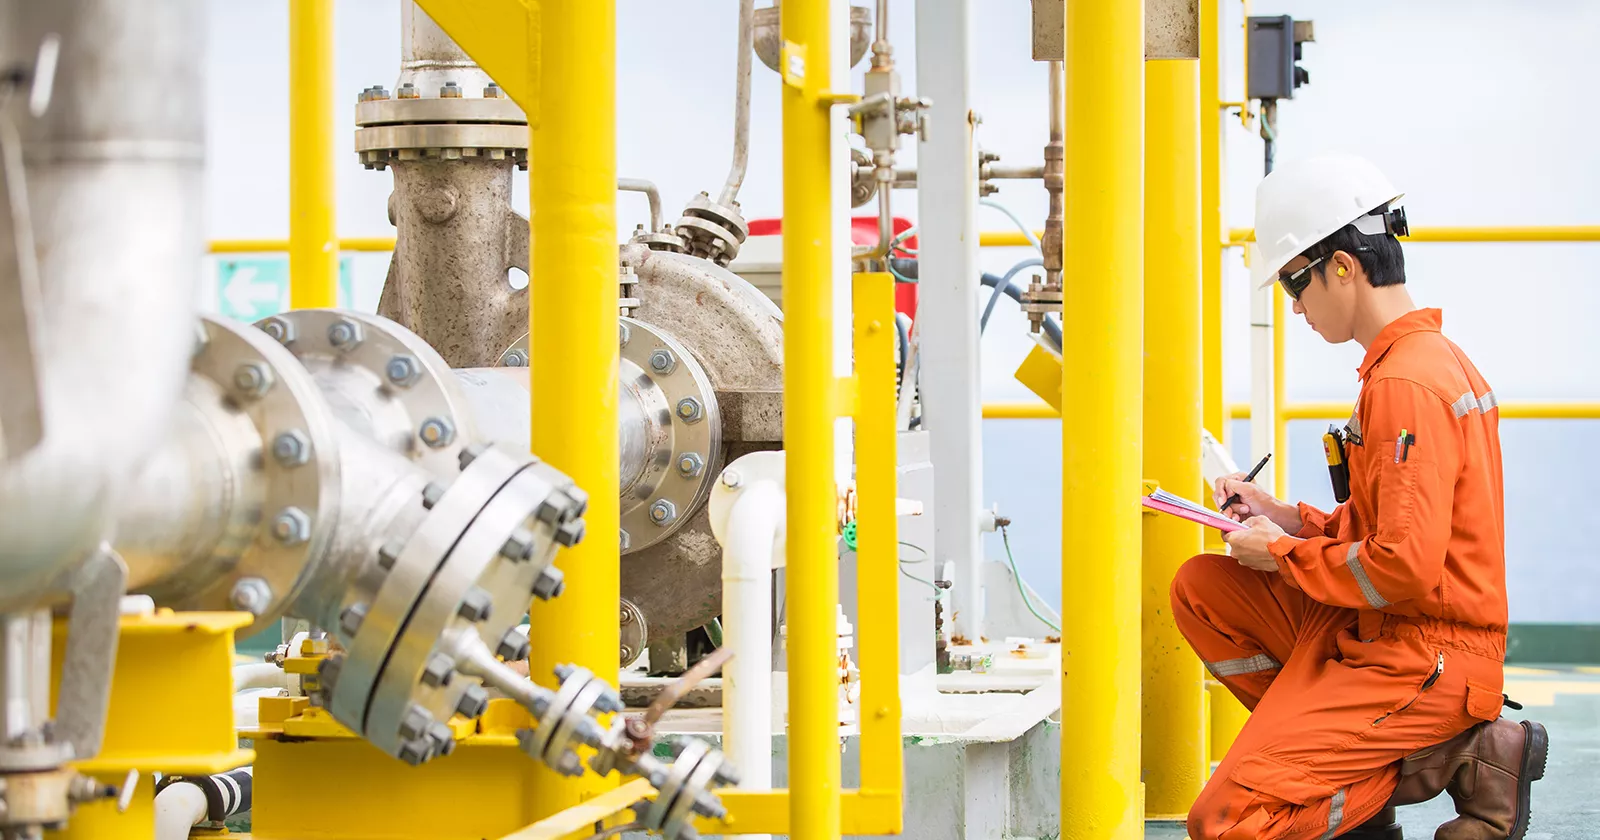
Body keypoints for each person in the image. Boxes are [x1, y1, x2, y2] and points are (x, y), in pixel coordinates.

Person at [1171, 152, 1547, 840]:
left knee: (1228, 820)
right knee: (1203, 587)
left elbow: (1402, 566)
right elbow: (1383, 527)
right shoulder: (1417, 365)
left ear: (1342, 266)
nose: (1294, 307)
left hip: (1421, 657)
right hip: (1389, 633)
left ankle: (1378, 780)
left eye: (1294, 282)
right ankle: (1421, 762)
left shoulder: (1404, 385)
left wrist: (1281, 554)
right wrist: (1287, 518)